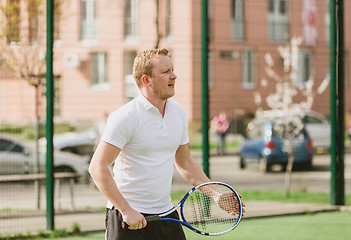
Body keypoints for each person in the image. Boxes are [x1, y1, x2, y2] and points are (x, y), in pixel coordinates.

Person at [89, 49, 244, 240]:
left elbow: (185, 163)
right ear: (147, 80)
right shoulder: (125, 117)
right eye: (165, 72)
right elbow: (97, 167)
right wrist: (126, 210)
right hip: (127, 218)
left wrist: (215, 194)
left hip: (167, 216)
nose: (174, 76)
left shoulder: (178, 114)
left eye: (172, 69)